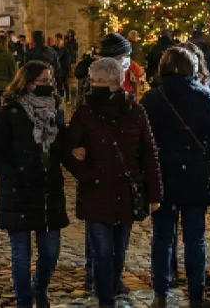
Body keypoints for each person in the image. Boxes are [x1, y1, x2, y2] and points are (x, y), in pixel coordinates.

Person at [67, 58, 162, 305]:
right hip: (96, 192)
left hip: (126, 193)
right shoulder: (85, 112)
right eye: (94, 81)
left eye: (102, 82)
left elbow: (149, 152)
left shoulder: (136, 111)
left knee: (118, 252)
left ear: (117, 83)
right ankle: (105, 299)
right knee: (101, 252)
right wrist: (83, 170)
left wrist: (154, 194)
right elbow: (68, 148)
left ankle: (111, 288)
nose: (96, 86)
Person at [142, 47, 210, 308]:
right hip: (194, 174)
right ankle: (196, 295)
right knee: (195, 238)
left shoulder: (151, 99)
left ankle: (160, 293)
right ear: (192, 67)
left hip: (161, 174)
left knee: (162, 236)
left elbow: (142, 139)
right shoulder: (202, 95)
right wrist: (209, 156)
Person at [0, 61, 69, 308]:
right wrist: (11, 175)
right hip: (18, 191)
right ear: (28, 83)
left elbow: (61, 146)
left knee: (51, 252)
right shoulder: (10, 111)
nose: (49, 85)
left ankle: (39, 288)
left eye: (50, 80)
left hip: (48, 190)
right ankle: (24, 302)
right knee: (21, 255)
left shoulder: (56, 110)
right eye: (44, 81)